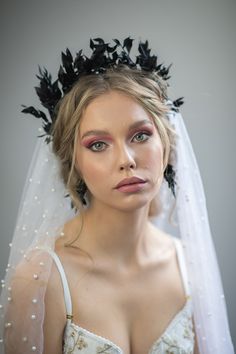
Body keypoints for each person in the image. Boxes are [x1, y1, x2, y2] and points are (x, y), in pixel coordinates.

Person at [0, 38, 234, 354]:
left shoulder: (190, 266)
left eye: (140, 135)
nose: (126, 159)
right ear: (74, 162)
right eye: (98, 144)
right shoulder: (40, 281)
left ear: (165, 142)